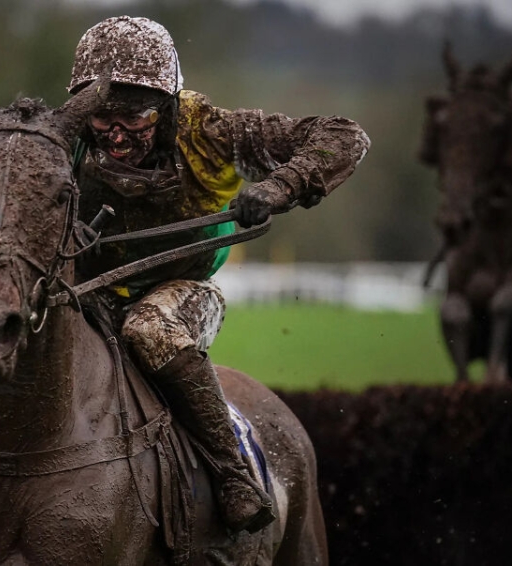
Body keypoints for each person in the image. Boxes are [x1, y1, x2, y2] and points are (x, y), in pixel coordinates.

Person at [68, 16, 370, 534]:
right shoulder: (67, 135)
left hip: (181, 292)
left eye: (134, 116)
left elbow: (345, 136)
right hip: (85, 291)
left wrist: (280, 187)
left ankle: (235, 473)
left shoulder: (212, 131)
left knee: (149, 328)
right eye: (101, 115)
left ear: (167, 106)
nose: (116, 133)